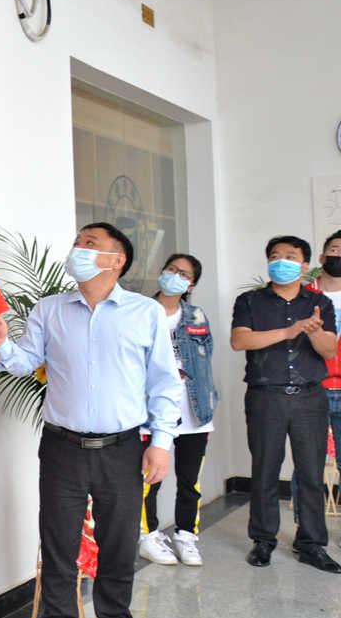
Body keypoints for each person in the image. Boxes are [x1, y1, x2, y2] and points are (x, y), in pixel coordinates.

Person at [0, 222, 179, 618]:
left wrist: (161, 443)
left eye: (90, 244)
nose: (78, 250)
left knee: (118, 543)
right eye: (77, 243)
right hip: (62, 446)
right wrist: (1, 344)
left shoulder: (144, 312)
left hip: (122, 448)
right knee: (59, 541)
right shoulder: (50, 310)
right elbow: (24, 362)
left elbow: (164, 383)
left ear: (117, 260)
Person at [231, 235, 341, 573]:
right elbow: (240, 340)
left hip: (310, 397)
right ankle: (263, 541)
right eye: (275, 256)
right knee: (265, 468)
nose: (282, 261)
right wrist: (289, 331)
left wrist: (314, 331)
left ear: (305, 265)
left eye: (291, 256)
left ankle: (311, 544)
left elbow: (329, 349)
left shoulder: (320, 303)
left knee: (310, 472)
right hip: (266, 396)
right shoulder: (250, 301)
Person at [138, 253, 219, 568]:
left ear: (191, 285)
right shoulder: (140, 310)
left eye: (183, 274)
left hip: (194, 413)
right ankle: (148, 536)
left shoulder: (196, 316)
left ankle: (186, 535)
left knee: (190, 481)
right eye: (171, 269)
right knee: (149, 480)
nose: (175, 276)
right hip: (150, 413)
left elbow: (205, 360)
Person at [308, 230, 341, 504]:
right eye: (335, 249)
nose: (339, 255)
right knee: (308, 465)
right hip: (312, 388)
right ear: (322, 257)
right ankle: (306, 525)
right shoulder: (305, 296)